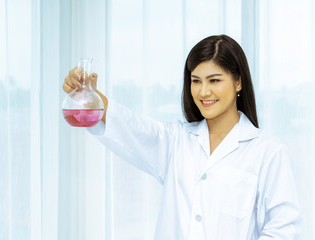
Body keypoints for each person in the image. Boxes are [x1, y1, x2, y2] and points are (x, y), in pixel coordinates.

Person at [63, 35, 301, 239]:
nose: (203, 91)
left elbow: (283, 229)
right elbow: (130, 126)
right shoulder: (175, 141)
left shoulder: (267, 151)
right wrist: (90, 94)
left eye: (214, 80)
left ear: (238, 82)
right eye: (195, 81)